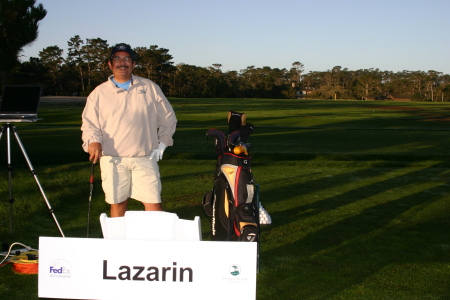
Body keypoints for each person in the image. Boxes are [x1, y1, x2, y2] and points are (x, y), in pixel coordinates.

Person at [81, 43, 177, 217]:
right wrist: (93, 141)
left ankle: (155, 243)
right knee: (118, 204)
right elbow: (89, 124)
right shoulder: (99, 93)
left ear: (133, 64)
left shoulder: (149, 87)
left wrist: (162, 143)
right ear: (110, 64)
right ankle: (118, 244)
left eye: (127, 59)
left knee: (154, 206)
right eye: (117, 59)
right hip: (112, 159)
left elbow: (168, 117)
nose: (122, 63)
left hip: (145, 156)